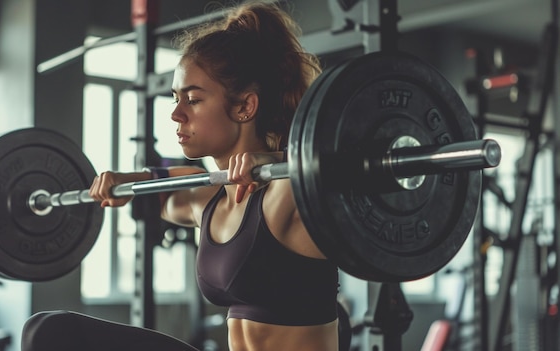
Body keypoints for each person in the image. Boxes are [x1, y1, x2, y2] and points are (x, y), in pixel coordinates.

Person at [21, 1, 341, 350]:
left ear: (245, 106)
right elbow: (158, 187)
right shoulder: (206, 199)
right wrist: (124, 181)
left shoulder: (290, 191)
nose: (176, 113)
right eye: (176, 98)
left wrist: (279, 158)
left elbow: (345, 163)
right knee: (47, 330)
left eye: (193, 99)